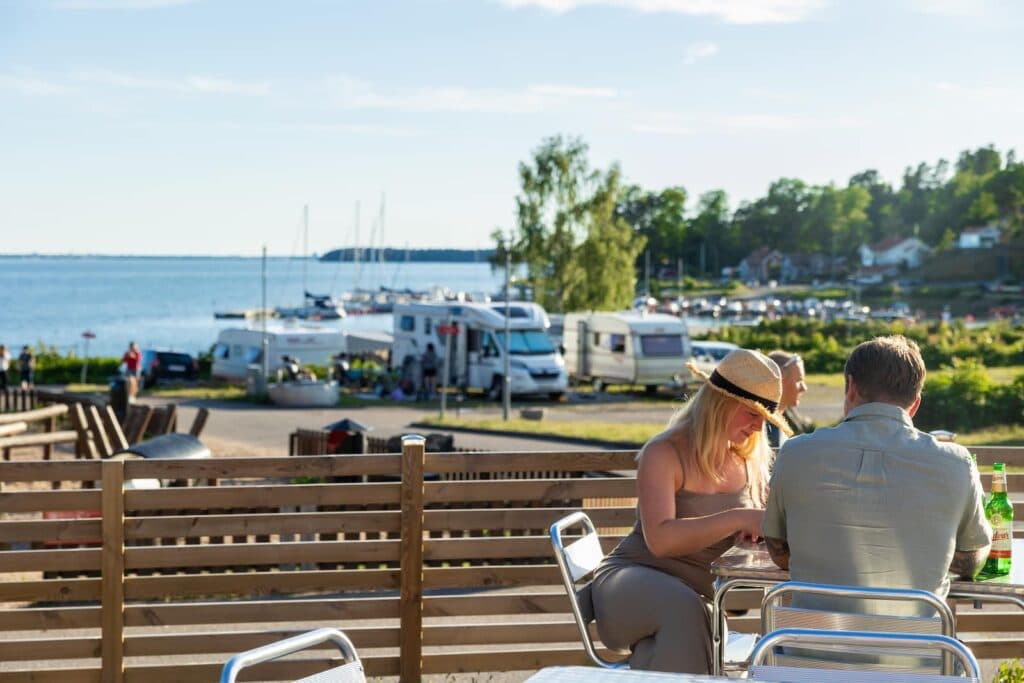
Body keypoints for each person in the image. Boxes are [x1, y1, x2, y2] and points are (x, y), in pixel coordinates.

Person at [591, 349, 791, 673]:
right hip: (629, 586)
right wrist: (738, 518)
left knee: (662, 646)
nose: (758, 427)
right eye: (751, 413)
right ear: (721, 402)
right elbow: (660, 541)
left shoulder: (747, 461)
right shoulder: (664, 452)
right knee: (686, 611)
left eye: (764, 418)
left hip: (696, 604)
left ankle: (646, 662)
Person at [762, 335, 991, 616]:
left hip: (807, 652)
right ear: (915, 404)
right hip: (918, 654)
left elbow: (779, 551)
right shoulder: (956, 463)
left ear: (850, 388)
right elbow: (971, 560)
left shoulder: (795, 454)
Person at [764, 350, 811, 448]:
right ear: (779, 381)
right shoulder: (765, 426)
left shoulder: (778, 420)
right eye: (799, 381)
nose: (804, 388)